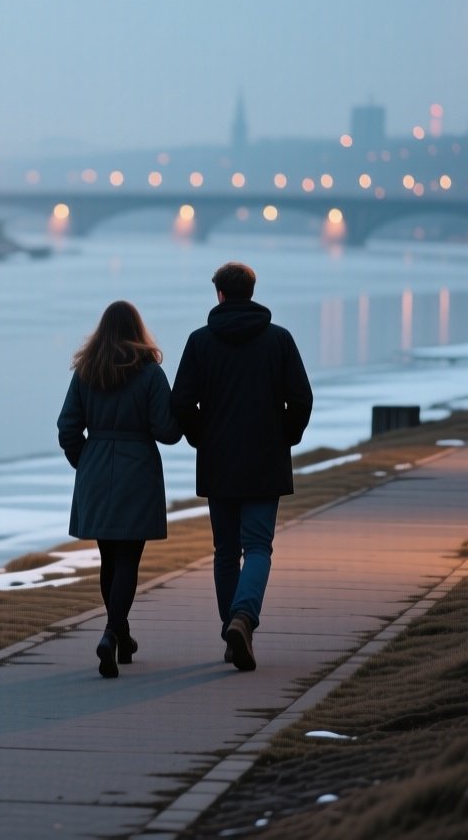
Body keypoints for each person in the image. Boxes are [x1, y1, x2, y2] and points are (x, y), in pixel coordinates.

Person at [170, 262, 313, 672]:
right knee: (258, 547)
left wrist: (200, 436)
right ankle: (243, 618)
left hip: (218, 461)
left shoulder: (200, 342)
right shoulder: (279, 340)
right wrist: (285, 436)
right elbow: (301, 399)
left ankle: (232, 630)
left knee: (226, 551)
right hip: (266, 460)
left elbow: (181, 403)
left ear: (219, 294)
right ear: (251, 291)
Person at [58, 300, 181, 679]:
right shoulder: (150, 373)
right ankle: (112, 634)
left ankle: (121, 637)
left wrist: (85, 462)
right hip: (137, 471)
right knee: (127, 559)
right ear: (137, 330)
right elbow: (168, 431)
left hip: (95, 469)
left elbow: (67, 428)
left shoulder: (86, 371)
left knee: (108, 558)